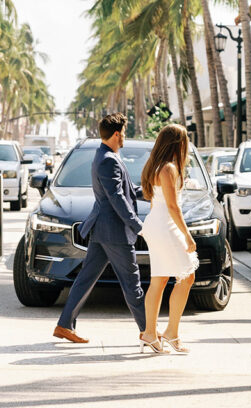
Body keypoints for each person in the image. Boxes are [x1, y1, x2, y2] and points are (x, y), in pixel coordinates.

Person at [53, 112, 147, 346]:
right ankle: (149, 331)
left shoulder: (107, 156)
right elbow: (117, 199)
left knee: (86, 278)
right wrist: (137, 225)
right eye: (124, 132)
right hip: (114, 232)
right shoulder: (107, 159)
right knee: (132, 283)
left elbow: (128, 190)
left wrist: (153, 191)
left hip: (102, 230)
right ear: (116, 134)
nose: (125, 136)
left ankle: (64, 325)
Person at [139, 124, 198, 354]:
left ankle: (151, 334)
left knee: (160, 280)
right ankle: (169, 332)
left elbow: (157, 203)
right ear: (178, 144)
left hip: (156, 223)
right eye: (185, 141)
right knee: (186, 276)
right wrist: (188, 235)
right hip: (165, 225)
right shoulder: (169, 168)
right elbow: (173, 207)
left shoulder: (155, 166)